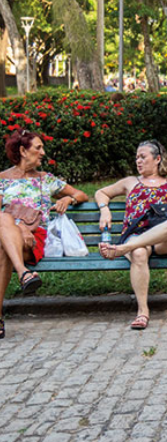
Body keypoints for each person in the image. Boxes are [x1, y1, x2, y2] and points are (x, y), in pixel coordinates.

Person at [94, 140, 167, 330]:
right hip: (137, 238)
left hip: (164, 241)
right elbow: (101, 193)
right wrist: (104, 209)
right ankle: (142, 312)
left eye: (143, 157)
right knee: (138, 252)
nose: (138, 161)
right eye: (137, 157)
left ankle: (123, 249)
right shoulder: (130, 182)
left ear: (157, 159)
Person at [0, 129, 88, 338]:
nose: (43, 152)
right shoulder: (2, 179)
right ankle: (24, 273)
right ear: (23, 150)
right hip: (8, 233)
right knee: (4, 224)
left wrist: (69, 199)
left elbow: (81, 194)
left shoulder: (46, 180)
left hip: (34, 238)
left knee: (3, 246)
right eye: (38, 148)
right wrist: (19, 226)